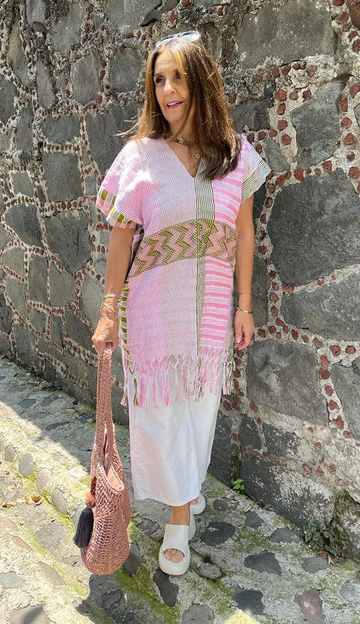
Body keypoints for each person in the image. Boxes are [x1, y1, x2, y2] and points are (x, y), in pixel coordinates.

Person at [91, 30, 270, 576]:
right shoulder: (139, 156)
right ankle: (178, 515)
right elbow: (121, 237)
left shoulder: (235, 154)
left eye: (177, 77)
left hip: (212, 309)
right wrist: (108, 310)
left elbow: (243, 233)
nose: (167, 90)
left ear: (201, 82)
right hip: (152, 311)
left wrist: (244, 304)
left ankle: (186, 494)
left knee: (199, 410)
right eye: (158, 80)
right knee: (162, 415)